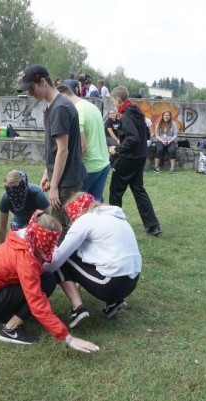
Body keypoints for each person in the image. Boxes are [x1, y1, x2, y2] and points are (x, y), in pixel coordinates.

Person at [0, 210, 99, 353]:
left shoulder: (25, 237)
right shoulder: (27, 259)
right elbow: (37, 303)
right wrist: (68, 338)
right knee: (47, 282)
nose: (53, 247)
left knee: (46, 278)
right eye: (51, 243)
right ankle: (10, 329)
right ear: (44, 241)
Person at [43, 193, 141, 327]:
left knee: (62, 258)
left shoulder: (85, 220)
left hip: (112, 283)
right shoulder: (114, 217)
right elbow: (95, 255)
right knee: (79, 256)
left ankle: (78, 308)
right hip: (131, 281)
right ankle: (113, 302)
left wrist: (36, 272)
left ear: (76, 214)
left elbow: (58, 259)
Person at [17, 64, 87, 239]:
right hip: (62, 177)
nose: (30, 94)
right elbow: (54, 147)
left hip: (67, 180)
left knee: (59, 229)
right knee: (60, 227)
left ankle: (62, 266)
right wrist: (46, 174)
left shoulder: (60, 108)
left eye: (32, 88)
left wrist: (54, 186)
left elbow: (63, 150)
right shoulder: (51, 106)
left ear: (42, 81)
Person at [108, 86, 161, 235]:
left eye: (113, 100)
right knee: (138, 190)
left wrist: (117, 149)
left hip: (128, 159)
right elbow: (144, 134)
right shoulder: (138, 112)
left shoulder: (126, 115)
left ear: (118, 100)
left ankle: (115, 225)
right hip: (140, 157)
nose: (113, 103)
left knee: (115, 191)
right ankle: (152, 225)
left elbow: (133, 138)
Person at [56, 85, 110, 202]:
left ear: (63, 97)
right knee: (96, 208)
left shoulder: (77, 111)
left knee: (75, 207)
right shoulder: (91, 106)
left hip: (89, 168)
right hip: (103, 164)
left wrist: (69, 170)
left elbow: (82, 147)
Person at [0, 170, 50, 244]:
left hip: (38, 221)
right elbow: (2, 227)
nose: (13, 195)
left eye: (16, 191)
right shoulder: (6, 198)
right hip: (20, 221)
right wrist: (1, 249)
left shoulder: (36, 193)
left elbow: (48, 222)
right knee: (17, 242)